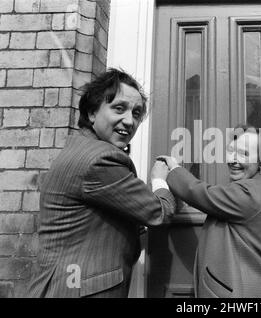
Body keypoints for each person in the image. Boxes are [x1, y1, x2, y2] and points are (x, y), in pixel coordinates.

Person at [25, 69, 176, 298]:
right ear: (92, 112)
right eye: (119, 108)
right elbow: (160, 213)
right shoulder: (100, 160)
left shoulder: (80, 147)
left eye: (136, 113)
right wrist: (160, 179)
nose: (129, 120)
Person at [156, 125, 261, 297]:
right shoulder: (260, 188)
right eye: (231, 151)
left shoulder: (253, 192)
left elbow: (200, 193)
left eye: (244, 154)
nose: (233, 159)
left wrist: (172, 171)